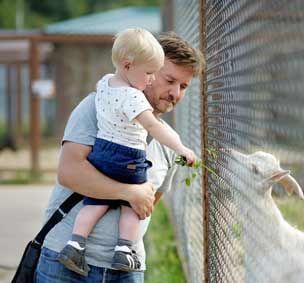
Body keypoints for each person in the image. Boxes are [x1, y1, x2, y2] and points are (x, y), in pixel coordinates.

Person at [35, 31, 205, 283]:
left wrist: (135, 200)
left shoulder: (171, 144)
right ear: (146, 68)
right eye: (169, 80)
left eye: (183, 86)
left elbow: (147, 205)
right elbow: (69, 172)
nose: (175, 93)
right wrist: (129, 192)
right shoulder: (96, 108)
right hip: (64, 262)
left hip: (125, 272)